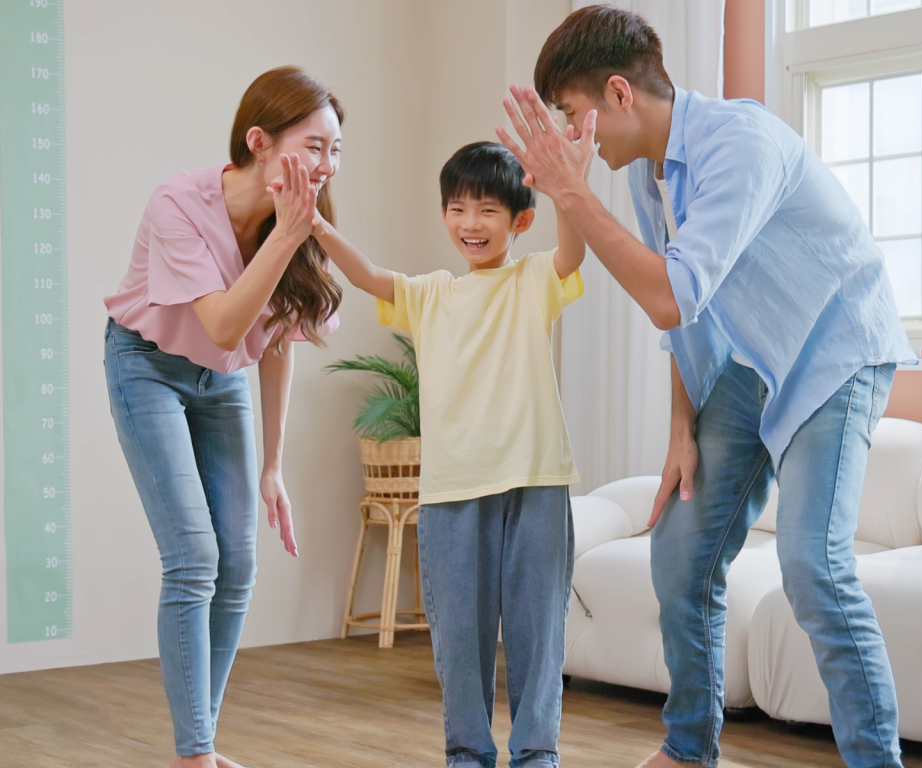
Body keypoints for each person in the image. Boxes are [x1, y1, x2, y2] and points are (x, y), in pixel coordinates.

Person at [495, 6, 916, 768]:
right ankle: (690, 749)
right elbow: (691, 320)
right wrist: (680, 428)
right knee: (679, 553)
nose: (567, 134)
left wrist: (571, 193)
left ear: (618, 93)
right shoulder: (649, 174)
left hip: (836, 352)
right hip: (753, 365)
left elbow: (670, 294)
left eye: (570, 112)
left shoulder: (739, 145)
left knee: (813, 569)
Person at [309, 139, 592, 768]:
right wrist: (315, 225)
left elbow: (573, 253)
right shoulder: (429, 294)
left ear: (521, 220)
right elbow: (367, 274)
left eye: (488, 210)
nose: (471, 223)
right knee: (460, 634)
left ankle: (536, 753)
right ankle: (467, 753)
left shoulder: (533, 279)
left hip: (535, 481)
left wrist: (568, 187)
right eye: (458, 208)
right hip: (452, 489)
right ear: (443, 214)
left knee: (538, 630)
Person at [103, 66, 343, 768]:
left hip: (224, 379)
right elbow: (223, 323)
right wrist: (287, 235)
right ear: (259, 142)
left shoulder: (296, 219)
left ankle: (198, 747)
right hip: (147, 365)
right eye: (314, 147)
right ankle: (196, 755)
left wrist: (274, 466)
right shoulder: (178, 204)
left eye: (336, 150)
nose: (327, 166)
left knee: (238, 567)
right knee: (194, 558)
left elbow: (276, 341)